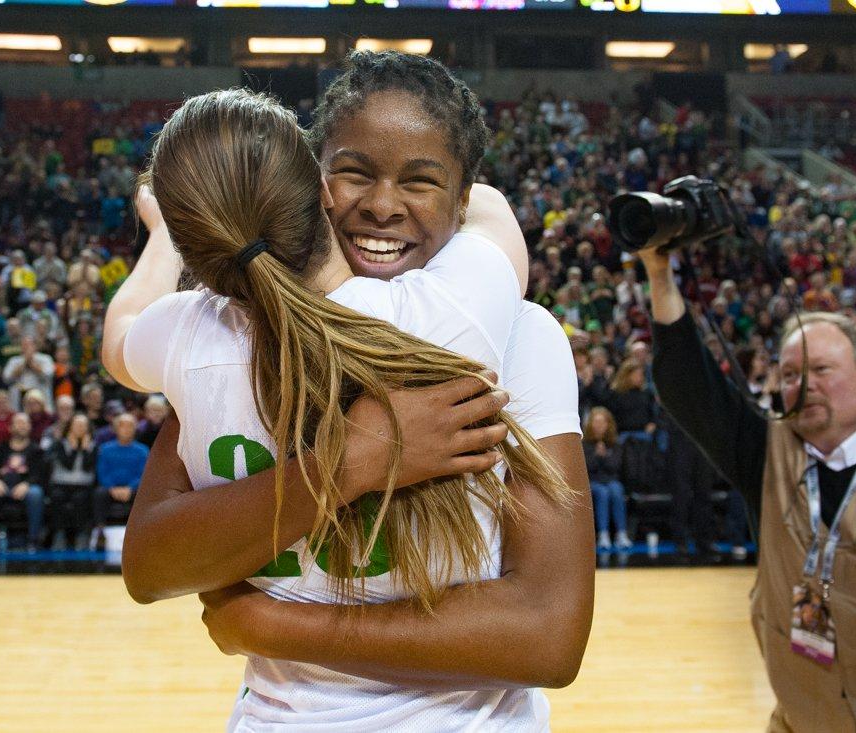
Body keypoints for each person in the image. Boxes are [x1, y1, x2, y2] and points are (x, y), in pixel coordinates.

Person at [105, 79, 590, 728]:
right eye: (356, 172)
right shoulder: (481, 324)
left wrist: (272, 622)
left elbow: (547, 634)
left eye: (417, 181)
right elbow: (151, 560)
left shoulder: (199, 342)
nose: (384, 205)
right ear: (319, 188)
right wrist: (344, 463)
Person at [639, 245, 856, 731]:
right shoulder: (768, 458)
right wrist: (660, 272)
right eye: (789, 375)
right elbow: (687, 383)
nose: (803, 386)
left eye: (821, 371)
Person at [0, 412, 46, 553]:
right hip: (1, 488)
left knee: (36, 494)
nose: (22, 426)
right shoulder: (1, 448)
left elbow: (41, 474)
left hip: (26, 489)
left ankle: (33, 541)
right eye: (18, 423)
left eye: (25, 423)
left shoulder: (36, 450)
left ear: (30, 427)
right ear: (11, 428)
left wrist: (27, 484)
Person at [91, 412, 148, 548]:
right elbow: (102, 472)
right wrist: (112, 488)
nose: (126, 429)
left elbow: (144, 474)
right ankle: (100, 532)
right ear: (116, 428)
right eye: (123, 426)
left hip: (133, 488)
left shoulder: (142, 450)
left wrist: (130, 488)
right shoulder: (105, 449)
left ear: (135, 429)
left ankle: (141, 533)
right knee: (99, 493)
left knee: (144, 495)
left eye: (130, 426)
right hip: (110, 488)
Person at [47, 412, 97, 551]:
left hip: (83, 485)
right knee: (57, 497)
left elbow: (88, 467)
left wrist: (86, 449)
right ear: (70, 427)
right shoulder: (59, 444)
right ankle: (59, 534)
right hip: (61, 484)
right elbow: (67, 465)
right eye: (77, 425)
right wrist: (74, 449)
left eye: (83, 425)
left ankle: (81, 535)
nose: (80, 428)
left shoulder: (93, 446)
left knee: (80, 499)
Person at [583, 407, 631, 551]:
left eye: (602, 423)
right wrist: (597, 456)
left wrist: (605, 456)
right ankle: (603, 535)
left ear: (608, 424)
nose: (599, 426)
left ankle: (621, 533)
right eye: (596, 422)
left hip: (611, 480)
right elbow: (586, 468)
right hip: (593, 481)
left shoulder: (616, 444)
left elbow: (617, 467)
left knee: (616, 490)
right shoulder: (584, 444)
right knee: (602, 493)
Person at [2, 336, 54, 411]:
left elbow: (48, 375)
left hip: (40, 396)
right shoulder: (14, 360)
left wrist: (32, 363)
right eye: (24, 345)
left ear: (35, 346)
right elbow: (6, 378)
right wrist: (24, 362)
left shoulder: (45, 359)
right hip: (19, 399)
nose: (26, 347)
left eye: (29, 345)